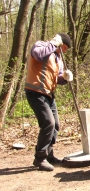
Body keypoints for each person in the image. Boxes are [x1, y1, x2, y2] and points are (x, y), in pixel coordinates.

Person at [25, 33, 74, 171]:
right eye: (64, 47)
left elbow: (58, 78)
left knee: (56, 125)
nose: (64, 51)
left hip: (48, 94)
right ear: (58, 43)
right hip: (35, 92)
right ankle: (40, 158)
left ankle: (48, 154)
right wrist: (53, 44)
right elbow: (38, 55)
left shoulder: (58, 58)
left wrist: (65, 78)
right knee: (48, 123)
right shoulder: (41, 46)